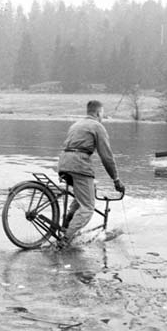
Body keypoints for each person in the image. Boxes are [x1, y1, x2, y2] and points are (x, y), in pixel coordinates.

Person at [57, 100, 125, 249]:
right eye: (102, 114)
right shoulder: (97, 127)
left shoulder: (76, 124)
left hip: (63, 163)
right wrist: (116, 179)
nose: (103, 117)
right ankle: (65, 239)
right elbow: (106, 157)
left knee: (82, 195)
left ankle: (67, 224)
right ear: (98, 113)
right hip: (79, 165)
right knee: (88, 207)